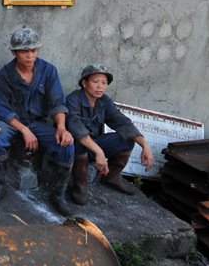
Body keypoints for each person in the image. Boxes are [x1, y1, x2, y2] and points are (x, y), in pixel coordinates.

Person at [0, 27, 74, 209]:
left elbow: (57, 102)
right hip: (12, 122)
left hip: (38, 122)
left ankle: (57, 195)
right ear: (14, 52)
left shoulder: (49, 71)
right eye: (24, 51)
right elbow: (2, 108)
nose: (30, 55)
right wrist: (24, 130)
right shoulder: (4, 75)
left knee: (66, 145)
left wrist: (62, 127)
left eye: (33, 50)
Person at [65, 64, 155, 204]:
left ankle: (111, 177)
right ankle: (80, 185)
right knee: (79, 142)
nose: (100, 86)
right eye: (95, 82)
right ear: (84, 83)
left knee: (126, 139)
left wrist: (145, 145)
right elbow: (76, 129)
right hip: (72, 147)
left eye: (104, 83)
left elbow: (122, 122)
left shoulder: (104, 101)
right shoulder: (73, 99)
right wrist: (99, 152)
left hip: (94, 145)